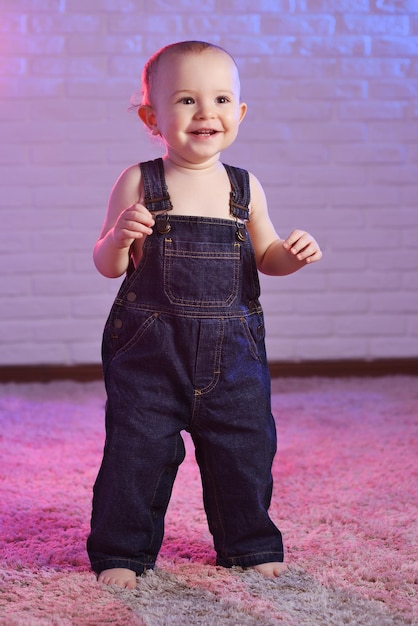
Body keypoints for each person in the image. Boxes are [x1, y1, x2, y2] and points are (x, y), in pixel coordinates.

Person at [87, 40, 322, 590]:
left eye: (220, 99)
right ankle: (122, 549)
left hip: (233, 356)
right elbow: (105, 263)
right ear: (153, 117)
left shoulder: (245, 187)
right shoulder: (140, 182)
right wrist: (120, 236)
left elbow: (265, 257)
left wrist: (291, 254)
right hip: (150, 354)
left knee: (245, 449)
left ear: (239, 113)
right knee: (134, 454)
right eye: (186, 100)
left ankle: (250, 544)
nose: (206, 113)